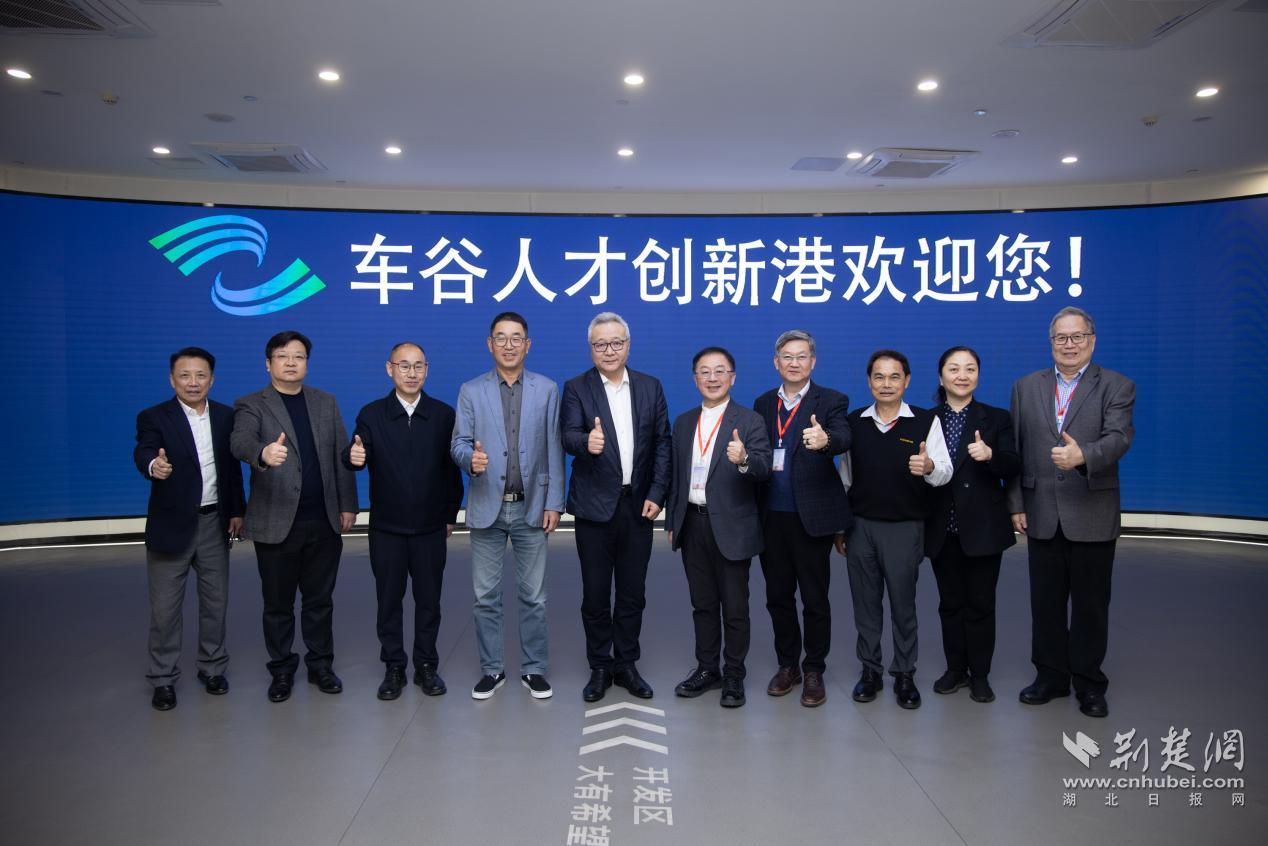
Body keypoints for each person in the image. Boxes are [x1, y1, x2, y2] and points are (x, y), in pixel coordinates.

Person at [1008, 307, 1135, 718]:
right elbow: (1016, 450)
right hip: (1040, 511)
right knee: (1044, 603)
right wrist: (1016, 504)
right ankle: (1050, 677)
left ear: (1091, 341)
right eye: (1061, 337)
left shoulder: (1116, 385)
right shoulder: (1026, 386)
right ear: (1051, 343)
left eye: (1077, 337)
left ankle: (1089, 683)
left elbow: (1119, 438)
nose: (1069, 344)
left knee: (1090, 606)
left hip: (1092, 511)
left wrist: (1084, 456)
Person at [230, 330, 358, 703]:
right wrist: (262, 453)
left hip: (323, 520)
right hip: (276, 521)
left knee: (320, 601)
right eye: (283, 356)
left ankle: (321, 666)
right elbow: (239, 442)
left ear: (306, 363)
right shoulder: (251, 404)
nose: (291, 362)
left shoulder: (325, 402)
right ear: (268, 363)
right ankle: (282, 670)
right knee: (278, 604)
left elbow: (342, 455)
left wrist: (348, 504)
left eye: (298, 356)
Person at [451, 312, 565, 701]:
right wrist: (470, 460)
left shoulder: (546, 389)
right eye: (501, 337)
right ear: (490, 344)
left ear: (528, 345)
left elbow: (554, 447)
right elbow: (458, 443)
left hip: (532, 506)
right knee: (486, 597)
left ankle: (534, 668)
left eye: (517, 338)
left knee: (535, 597)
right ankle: (492, 669)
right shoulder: (471, 390)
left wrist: (554, 502)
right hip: (487, 505)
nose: (509, 345)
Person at [561, 313, 671, 702]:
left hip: (638, 506)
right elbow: (567, 434)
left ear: (628, 344)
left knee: (632, 593)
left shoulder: (650, 386)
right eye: (600, 344)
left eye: (616, 343)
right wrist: (584, 443)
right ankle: (599, 666)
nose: (609, 350)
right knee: (595, 595)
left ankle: (626, 663)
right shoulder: (576, 388)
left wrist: (657, 493)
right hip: (594, 508)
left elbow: (662, 443)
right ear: (590, 348)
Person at [344, 342, 463, 700]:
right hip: (387, 529)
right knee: (388, 602)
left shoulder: (442, 415)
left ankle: (426, 666)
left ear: (427, 370)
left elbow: (452, 472)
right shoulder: (372, 414)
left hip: (430, 527)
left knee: (429, 602)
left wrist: (449, 514)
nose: (412, 373)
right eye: (404, 366)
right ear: (389, 369)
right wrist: (352, 457)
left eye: (418, 366)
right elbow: (356, 455)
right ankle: (394, 667)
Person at [836, 350, 951, 709]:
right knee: (865, 605)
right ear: (869, 381)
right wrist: (841, 527)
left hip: (904, 528)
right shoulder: (854, 422)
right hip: (861, 527)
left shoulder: (926, 421)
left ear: (907, 381)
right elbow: (846, 478)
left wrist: (929, 467)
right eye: (879, 377)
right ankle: (870, 671)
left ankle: (904, 673)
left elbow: (944, 471)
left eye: (894, 376)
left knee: (903, 605)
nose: (886, 384)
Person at [133, 347, 244, 711]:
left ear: (212, 379)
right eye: (185, 375)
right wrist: (154, 466)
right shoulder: (153, 417)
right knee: (165, 610)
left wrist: (237, 511)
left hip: (214, 522)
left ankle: (212, 668)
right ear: (172, 380)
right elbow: (144, 450)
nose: (193, 382)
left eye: (200, 375)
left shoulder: (226, 416)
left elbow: (231, 470)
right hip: (172, 525)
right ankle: (163, 678)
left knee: (215, 603)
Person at [665, 347, 772, 708]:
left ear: (733, 377)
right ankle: (707, 668)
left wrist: (744, 459)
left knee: (735, 607)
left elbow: (763, 469)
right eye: (704, 372)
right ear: (695, 378)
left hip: (732, 526)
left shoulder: (750, 420)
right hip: (692, 523)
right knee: (703, 603)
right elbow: (676, 476)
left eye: (720, 371)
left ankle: (734, 675)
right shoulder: (683, 423)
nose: (712, 378)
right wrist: (674, 519)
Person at [752, 330, 851, 708]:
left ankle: (814, 669)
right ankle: (787, 665)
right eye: (787, 357)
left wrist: (826, 442)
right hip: (771, 517)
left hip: (812, 518)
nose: (794, 363)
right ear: (776, 362)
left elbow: (843, 437)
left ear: (813, 361)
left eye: (802, 356)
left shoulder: (832, 400)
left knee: (814, 598)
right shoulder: (763, 403)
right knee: (777, 596)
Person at [924, 346, 1021, 705]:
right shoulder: (926, 418)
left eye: (969, 369)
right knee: (949, 603)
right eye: (954, 369)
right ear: (941, 377)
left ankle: (980, 675)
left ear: (978, 375)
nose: (962, 376)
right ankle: (955, 670)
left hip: (983, 527)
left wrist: (991, 456)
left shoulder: (995, 418)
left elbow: (1013, 463)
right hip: (941, 526)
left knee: (981, 603)